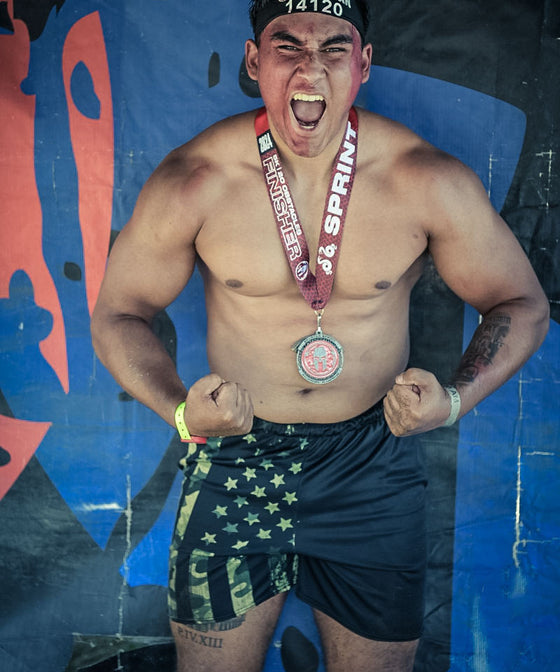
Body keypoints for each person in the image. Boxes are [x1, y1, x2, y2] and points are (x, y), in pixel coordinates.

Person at [91, 1, 549, 670]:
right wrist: (184, 413)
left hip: (372, 464)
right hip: (237, 460)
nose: (312, 66)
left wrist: (452, 400)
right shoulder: (198, 179)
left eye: (335, 47)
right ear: (254, 61)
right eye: (288, 46)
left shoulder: (423, 178)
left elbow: (522, 302)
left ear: (362, 64)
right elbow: (117, 312)